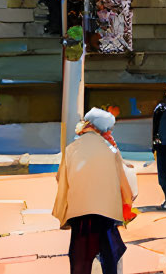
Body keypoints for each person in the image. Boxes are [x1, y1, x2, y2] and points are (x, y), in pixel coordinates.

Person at [53, 107, 138, 274]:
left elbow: (60, 178)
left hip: (79, 212)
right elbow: (123, 180)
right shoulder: (110, 149)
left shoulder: (71, 148)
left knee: (80, 256)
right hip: (104, 212)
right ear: (103, 129)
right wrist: (127, 202)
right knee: (109, 253)